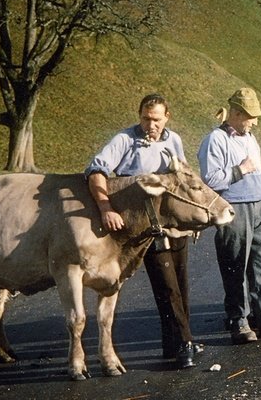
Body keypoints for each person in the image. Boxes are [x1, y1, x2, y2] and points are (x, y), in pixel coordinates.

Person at [85, 93, 201, 369]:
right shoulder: (124, 140)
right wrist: (105, 208)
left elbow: (182, 180)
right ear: (139, 116)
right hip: (144, 226)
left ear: (167, 117)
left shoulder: (173, 140)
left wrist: (192, 220)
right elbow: (96, 170)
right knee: (166, 284)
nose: (151, 125)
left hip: (173, 222)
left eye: (156, 120)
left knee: (181, 283)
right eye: (146, 119)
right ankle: (185, 342)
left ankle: (173, 342)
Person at [197, 87, 261, 343]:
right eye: (250, 116)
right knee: (235, 265)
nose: (254, 122)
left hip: (260, 205)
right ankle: (239, 321)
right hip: (234, 208)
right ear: (236, 112)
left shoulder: (249, 137)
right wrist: (239, 170)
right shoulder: (215, 140)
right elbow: (210, 180)